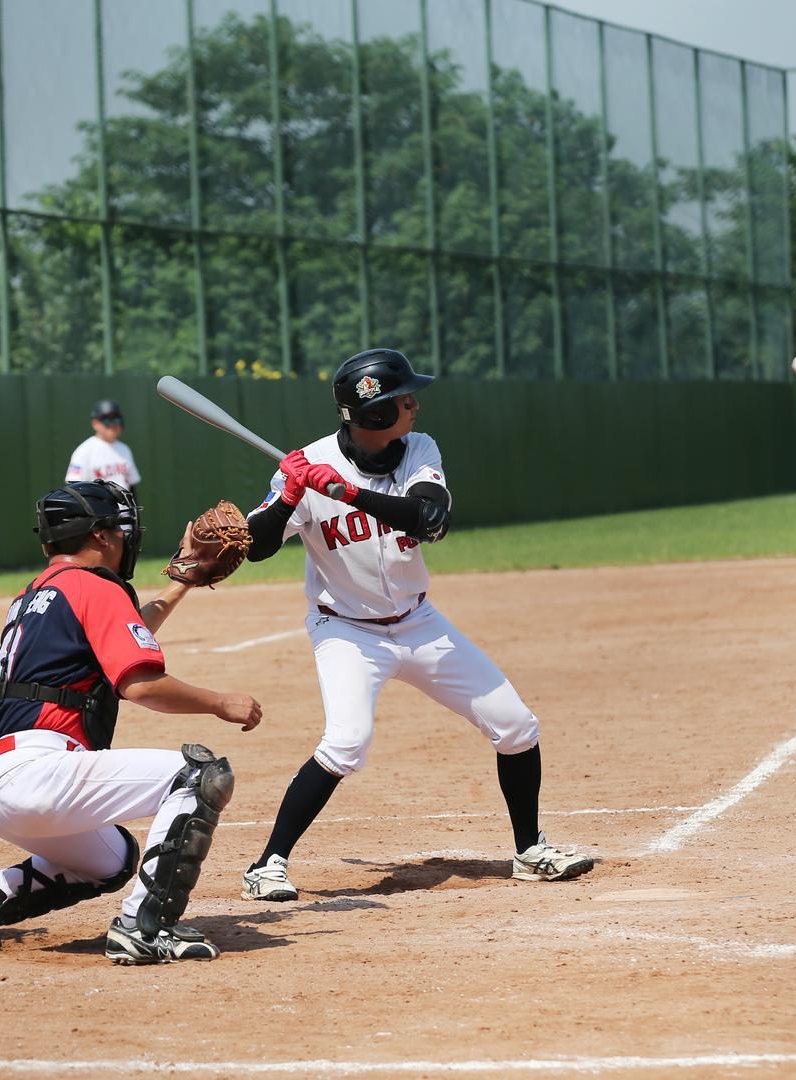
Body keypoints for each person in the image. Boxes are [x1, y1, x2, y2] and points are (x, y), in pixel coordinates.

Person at [237, 349, 594, 903]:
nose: (414, 405)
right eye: (402, 399)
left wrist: (347, 492)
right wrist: (287, 497)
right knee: (346, 743)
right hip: (347, 632)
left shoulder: (418, 450)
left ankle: (530, 851)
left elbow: (430, 519)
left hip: (419, 623)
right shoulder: (306, 465)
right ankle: (267, 865)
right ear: (374, 414)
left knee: (516, 725)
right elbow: (256, 548)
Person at [0, 480, 263, 964]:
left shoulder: (39, 593)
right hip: (40, 775)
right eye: (121, 528)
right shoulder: (96, 587)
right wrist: (219, 702)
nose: (126, 539)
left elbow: (122, 634)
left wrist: (182, 583)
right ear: (100, 537)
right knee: (200, 776)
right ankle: (144, 928)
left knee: (112, 860)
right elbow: (142, 685)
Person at [65, 399, 141, 497]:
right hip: (100, 511)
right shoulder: (84, 451)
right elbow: (74, 489)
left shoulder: (125, 449)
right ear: (95, 424)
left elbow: (131, 487)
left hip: (124, 511)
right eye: (107, 420)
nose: (114, 424)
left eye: (117, 419)